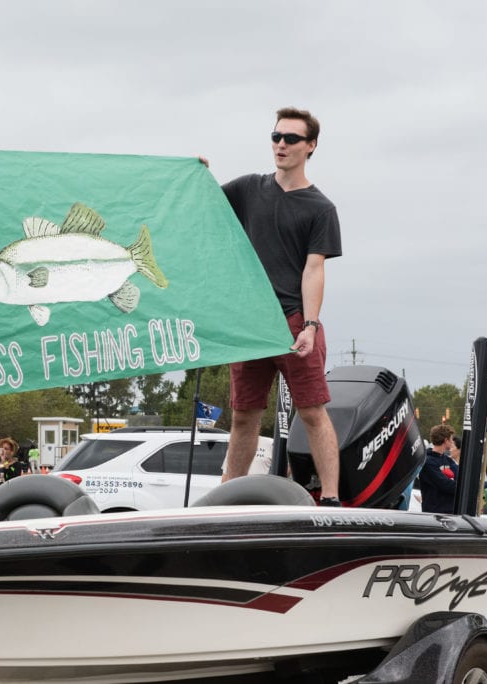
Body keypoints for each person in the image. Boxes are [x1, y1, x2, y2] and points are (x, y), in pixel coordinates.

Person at [209, 107, 343, 506]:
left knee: (313, 412)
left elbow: (314, 269)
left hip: (294, 323)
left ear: (311, 146)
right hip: (249, 326)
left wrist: (311, 325)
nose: (280, 144)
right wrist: (198, 172)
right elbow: (202, 203)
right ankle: (226, 499)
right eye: (275, 137)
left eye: (290, 139)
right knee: (243, 417)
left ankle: (332, 500)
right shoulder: (249, 188)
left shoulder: (321, 208)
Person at [419, 424, 459, 514]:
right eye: (451, 439)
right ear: (446, 440)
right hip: (434, 514)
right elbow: (445, 484)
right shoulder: (427, 462)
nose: (452, 442)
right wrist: (463, 488)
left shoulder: (448, 460)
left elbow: (461, 477)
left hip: (450, 512)